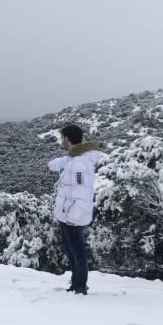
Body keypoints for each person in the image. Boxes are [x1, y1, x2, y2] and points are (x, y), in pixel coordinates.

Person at [46, 125, 102, 295]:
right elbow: (64, 161)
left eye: (62, 137)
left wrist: (73, 217)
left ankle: (80, 286)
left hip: (73, 217)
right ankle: (75, 283)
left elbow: (83, 194)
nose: (61, 141)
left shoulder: (79, 164)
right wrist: (50, 165)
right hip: (66, 215)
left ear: (68, 138)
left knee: (77, 253)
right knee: (71, 251)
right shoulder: (74, 157)